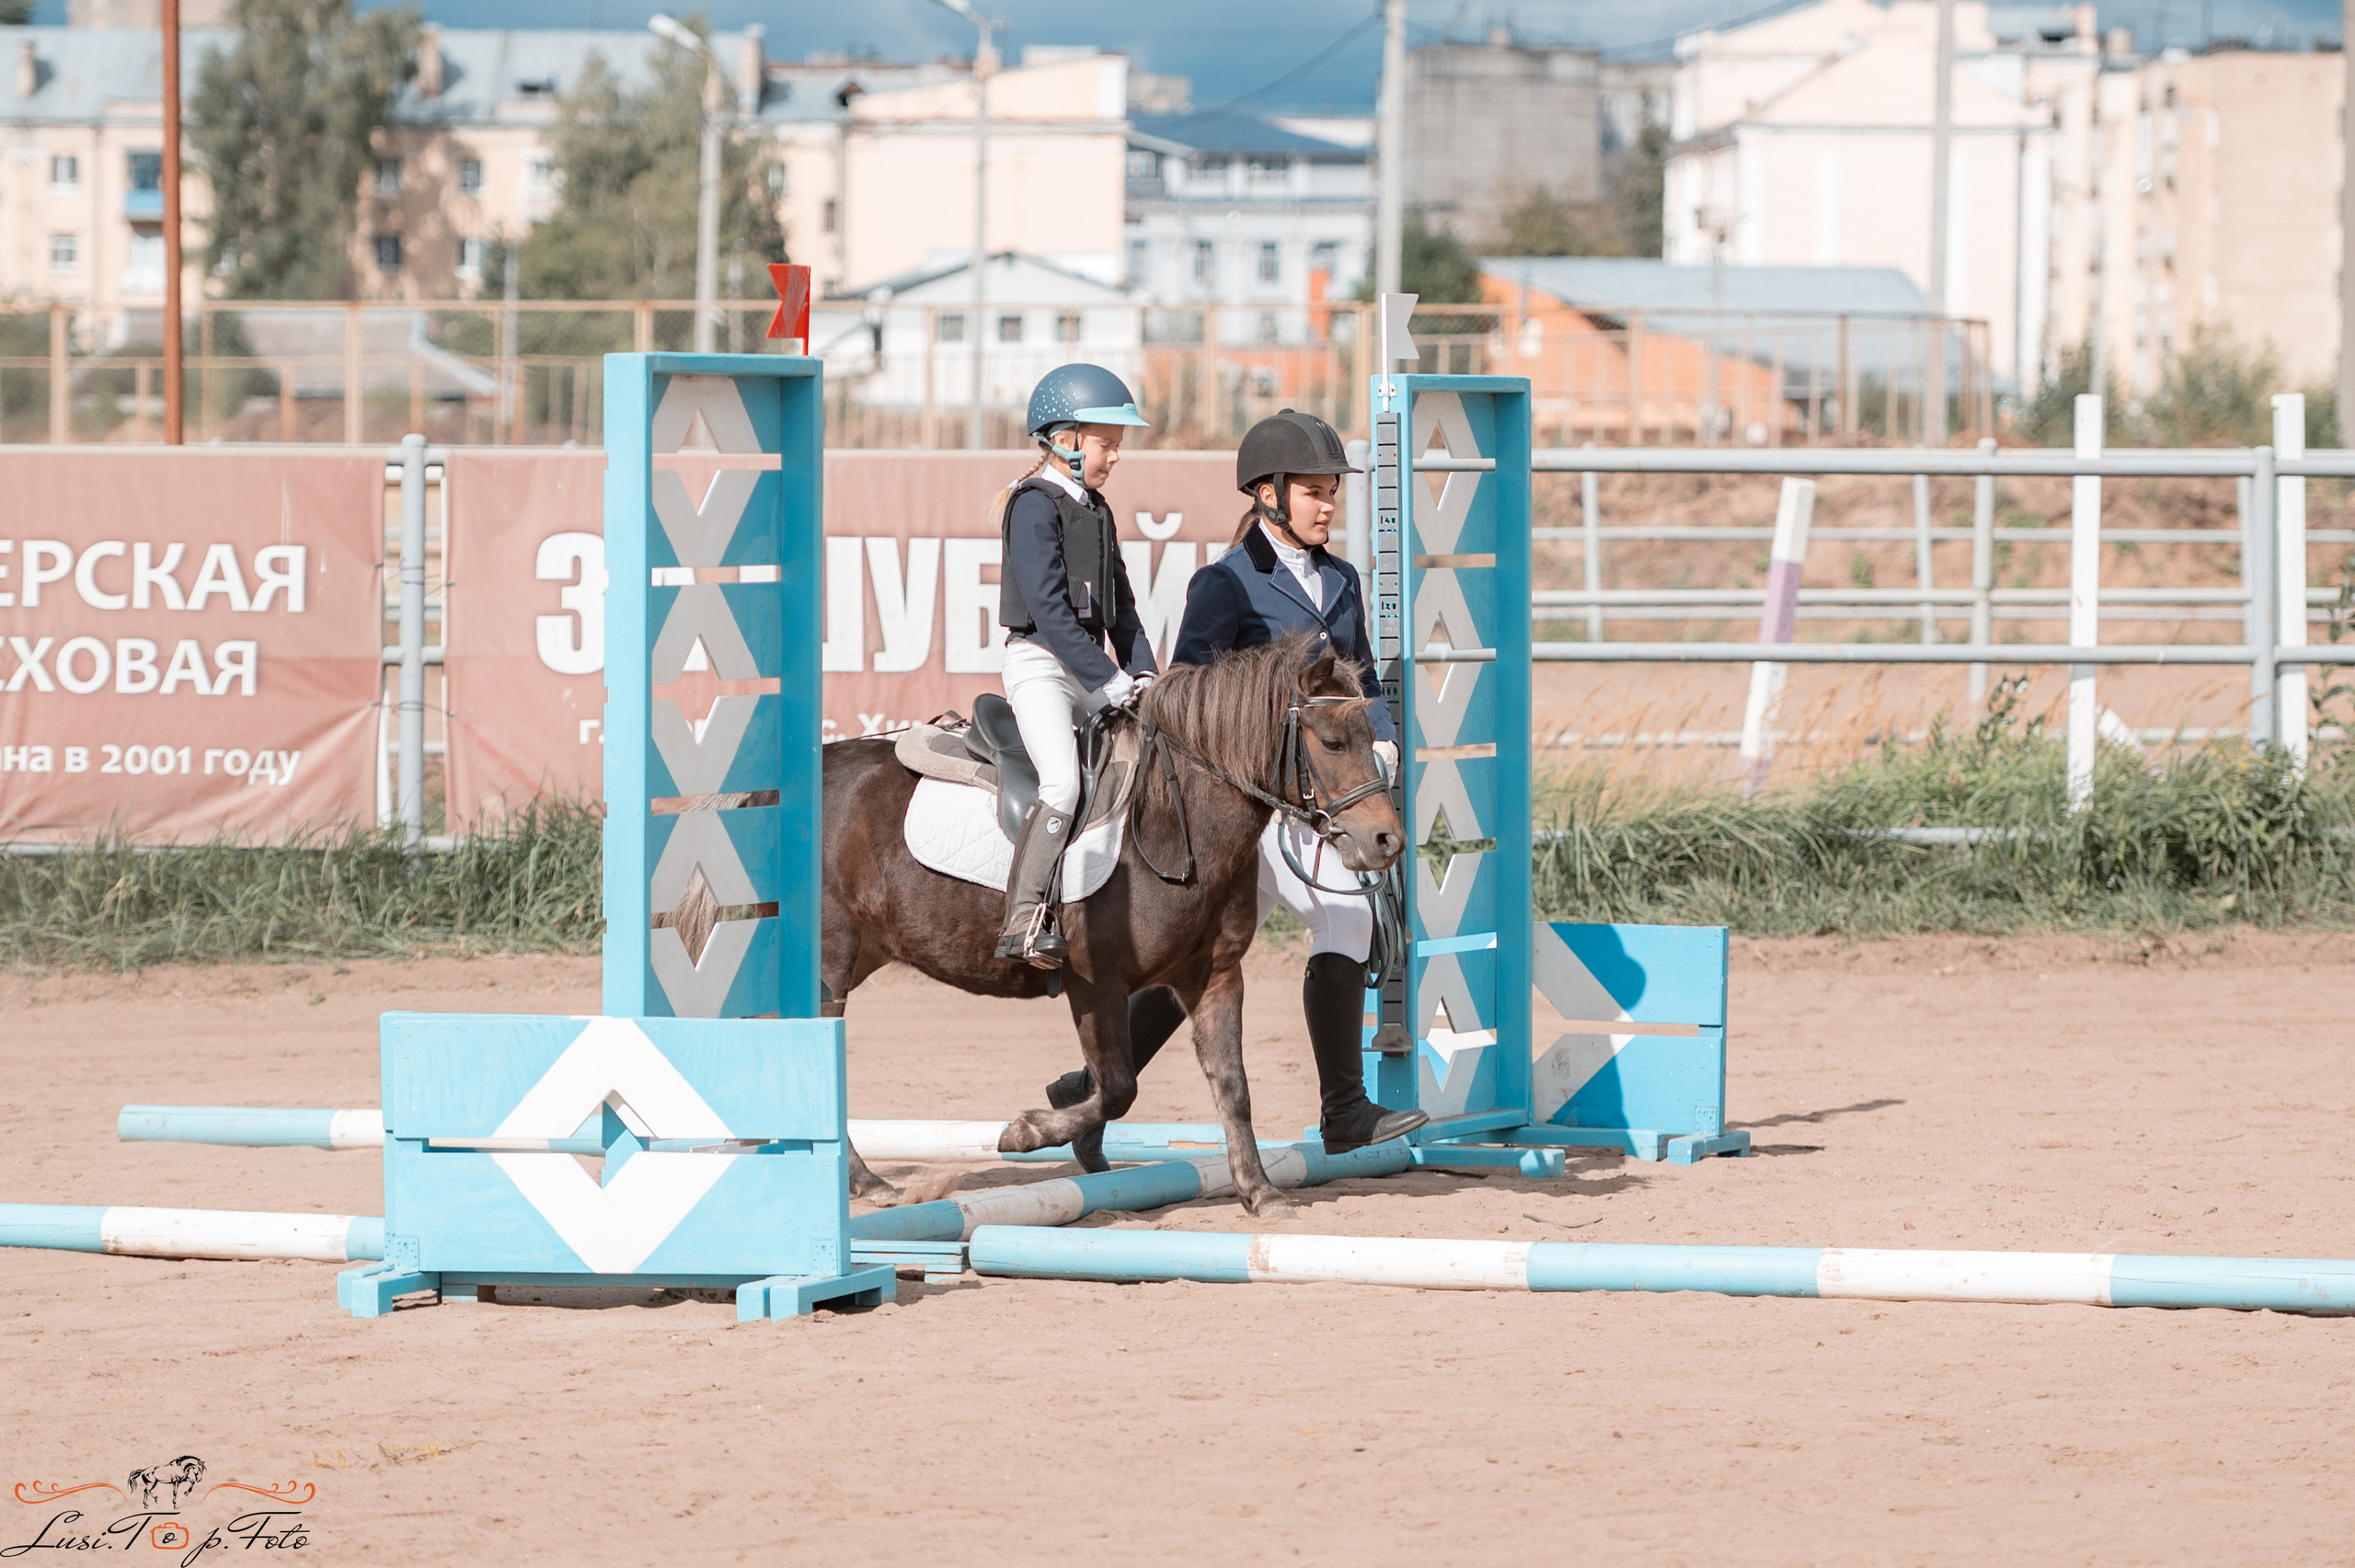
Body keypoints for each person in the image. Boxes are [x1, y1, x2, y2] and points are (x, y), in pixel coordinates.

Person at [1049, 408, 1429, 1155]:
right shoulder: (1225, 584)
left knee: (1241, 946)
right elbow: (1192, 690)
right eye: (1314, 492)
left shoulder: (1344, 581)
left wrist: (1380, 741)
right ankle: (1340, 1109)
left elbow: (1366, 686)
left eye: (1332, 492)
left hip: (1312, 801)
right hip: (1245, 808)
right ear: (1268, 494)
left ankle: (1096, 1088)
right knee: (1251, 939)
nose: (1328, 505)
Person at [993, 363, 1158, 967]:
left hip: (1089, 668)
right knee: (1062, 781)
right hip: (1040, 663)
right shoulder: (1033, 506)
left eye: (1117, 446)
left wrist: (1145, 674)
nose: (1114, 456)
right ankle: (1025, 918)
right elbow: (1050, 612)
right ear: (1064, 439)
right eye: (1106, 443)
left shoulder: (1098, 509)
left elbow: (1124, 607)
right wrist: (1108, 679)